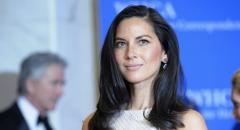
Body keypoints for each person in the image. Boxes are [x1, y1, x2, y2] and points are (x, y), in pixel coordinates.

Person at [83, 5, 207, 130]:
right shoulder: (93, 124)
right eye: (121, 44)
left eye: (143, 41)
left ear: (165, 53)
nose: (130, 53)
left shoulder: (188, 123)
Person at [0, 52, 67, 130]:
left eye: (62, 84)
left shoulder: (46, 124)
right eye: (54, 83)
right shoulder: (3, 124)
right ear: (30, 85)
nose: (60, 92)